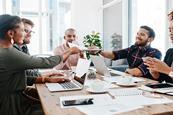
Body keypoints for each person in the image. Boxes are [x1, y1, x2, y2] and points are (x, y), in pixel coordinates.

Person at [0, 14, 81, 115]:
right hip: (10, 106)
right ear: (11, 33)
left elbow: (18, 78)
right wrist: (69, 51)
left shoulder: (6, 51)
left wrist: (45, 79)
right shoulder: (8, 53)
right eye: (22, 30)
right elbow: (46, 63)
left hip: (14, 100)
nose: (25, 34)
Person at [90, 26, 162, 78]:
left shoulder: (155, 53)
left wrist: (127, 70)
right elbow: (114, 54)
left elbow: (138, 72)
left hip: (147, 85)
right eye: (137, 33)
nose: (138, 36)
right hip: (132, 80)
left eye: (142, 34)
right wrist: (99, 51)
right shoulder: (133, 48)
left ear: (150, 39)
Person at [144, 18, 173, 83]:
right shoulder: (170, 52)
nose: (171, 33)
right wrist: (154, 72)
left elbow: (167, 72)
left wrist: (167, 70)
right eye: (170, 30)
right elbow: (162, 78)